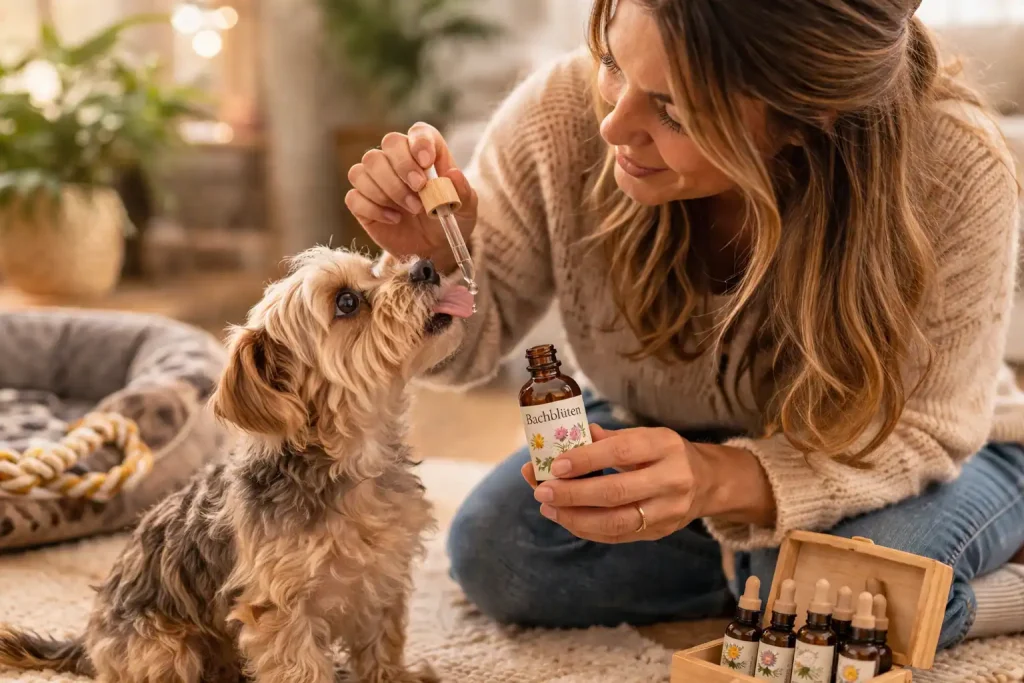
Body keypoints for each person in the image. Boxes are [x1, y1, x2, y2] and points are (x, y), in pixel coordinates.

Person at [345, 0, 1024, 650]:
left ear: (808, 111)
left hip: (908, 451)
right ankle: (770, 577)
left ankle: (977, 586)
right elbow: (467, 352)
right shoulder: (560, 117)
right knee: (502, 550)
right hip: (666, 428)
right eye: (612, 61)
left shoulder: (956, 165)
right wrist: (429, 262)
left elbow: (928, 430)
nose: (615, 124)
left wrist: (716, 479)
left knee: (826, 596)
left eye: (672, 109)